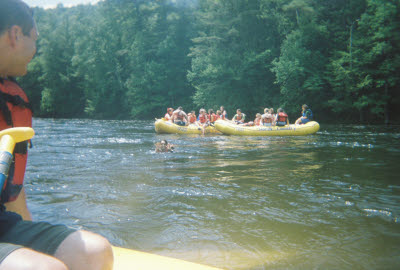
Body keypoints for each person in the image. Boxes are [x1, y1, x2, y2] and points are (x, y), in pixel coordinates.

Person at [0, 1, 113, 269]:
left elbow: (13, 191)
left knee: (95, 252)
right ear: (16, 35)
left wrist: (27, 244)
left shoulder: (12, 100)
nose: (35, 50)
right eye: (34, 39)